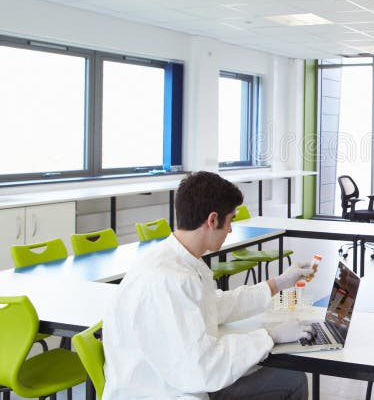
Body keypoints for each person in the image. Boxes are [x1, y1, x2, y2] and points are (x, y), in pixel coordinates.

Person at [103, 171, 312, 399]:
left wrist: (277, 283)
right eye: (230, 220)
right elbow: (202, 368)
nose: (230, 229)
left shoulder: (177, 259)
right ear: (213, 220)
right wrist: (269, 337)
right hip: (167, 392)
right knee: (293, 381)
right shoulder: (169, 279)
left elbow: (214, 305)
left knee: (276, 373)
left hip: (177, 381)